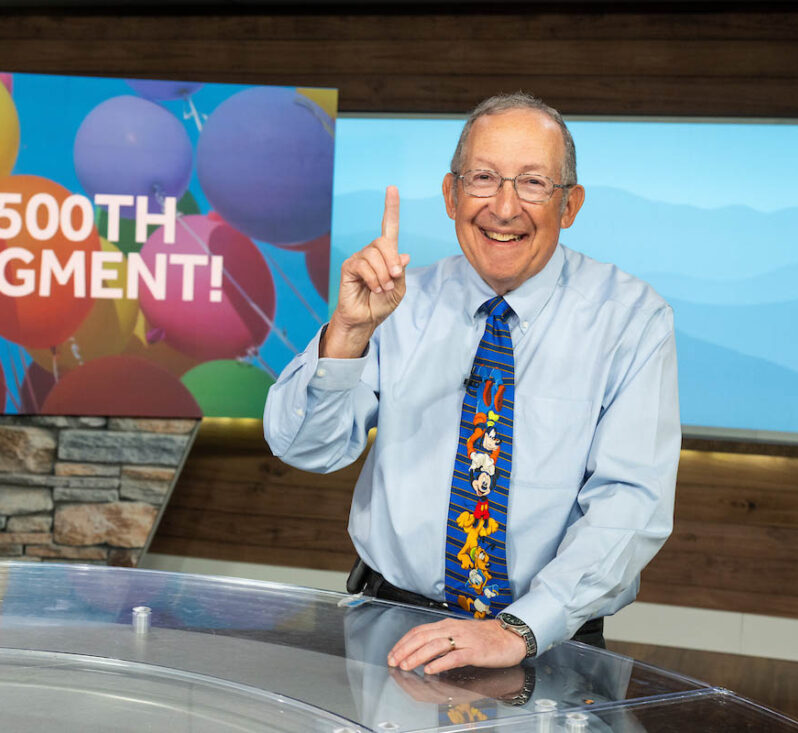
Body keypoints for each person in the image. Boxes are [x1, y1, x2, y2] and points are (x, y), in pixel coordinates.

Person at [263, 92, 680, 673]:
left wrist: (521, 628)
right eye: (483, 178)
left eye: (533, 183)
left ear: (570, 205)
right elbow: (306, 447)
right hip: (394, 632)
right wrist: (348, 333)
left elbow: (629, 502)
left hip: (550, 643)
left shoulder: (631, 319)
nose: (504, 208)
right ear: (451, 195)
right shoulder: (397, 303)